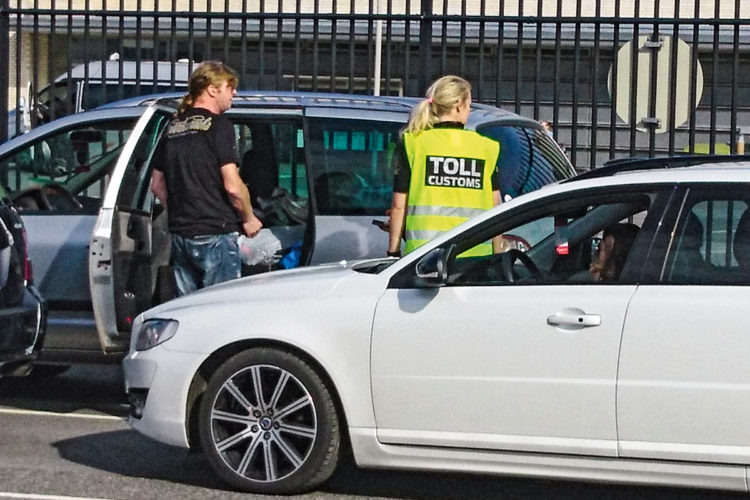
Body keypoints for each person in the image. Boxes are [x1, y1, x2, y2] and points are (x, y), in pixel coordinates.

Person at [151, 61, 263, 296]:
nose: (235, 92)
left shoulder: (172, 127)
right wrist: (249, 218)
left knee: (188, 309)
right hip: (216, 232)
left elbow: (157, 185)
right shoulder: (220, 126)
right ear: (212, 90)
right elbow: (233, 186)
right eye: (229, 87)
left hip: (181, 235)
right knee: (220, 309)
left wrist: (183, 213)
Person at [387, 75, 501, 257]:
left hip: (422, 254)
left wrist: (393, 251)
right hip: (475, 257)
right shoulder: (487, 147)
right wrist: (498, 254)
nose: (469, 110)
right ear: (459, 105)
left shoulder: (413, 142)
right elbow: (496, 207)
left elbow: (399, 204)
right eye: (469, 105)